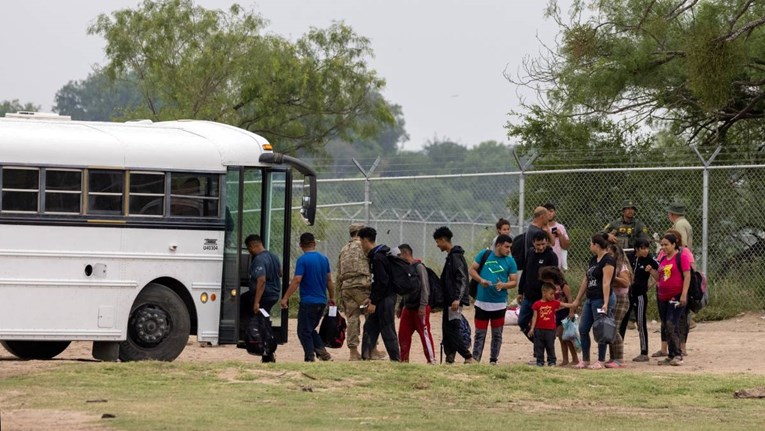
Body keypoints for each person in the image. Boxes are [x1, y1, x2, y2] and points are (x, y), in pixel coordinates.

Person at [280, 232, 334, 362]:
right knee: (310, 329)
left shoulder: (302, 260)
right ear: (314, 243)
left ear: (300, 245)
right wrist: (332, 297)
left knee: (303, 331)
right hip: (321, 301)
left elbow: (297, 280)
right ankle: (322, 352)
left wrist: (285, 297)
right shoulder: (324, 259)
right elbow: (329, 280)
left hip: (308, 301)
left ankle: (309, 357)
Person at [468, 234, 517, 364]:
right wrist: (481, 280)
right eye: (506, 247)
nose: (508, 250)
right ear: (498, 245)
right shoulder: (484, 254)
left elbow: (514, 282)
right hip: (481, 302)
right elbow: (472, 270)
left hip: (499, 304)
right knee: (480, 334)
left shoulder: (510, 261)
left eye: (510, 247)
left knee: (497, 334)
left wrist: (503, 285)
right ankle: (475, 359)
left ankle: (493, 360)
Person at [571, 233, 617, 370]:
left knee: (601, 328)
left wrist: (606, 302)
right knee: (583, 328)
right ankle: (585, 359)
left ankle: (600, 360)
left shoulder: (608, 260)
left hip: (601, 298)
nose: (590, 246)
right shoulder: (593, 260)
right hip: (590, 299)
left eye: (591, 244)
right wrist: (578, 299)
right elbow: (586, 279)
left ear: (596, 245)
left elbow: (606, 282)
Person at [358, 227, 401, 361]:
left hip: (386, 299)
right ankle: (365, 357)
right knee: (370, 327)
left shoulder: (378, 257)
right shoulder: (378, 255)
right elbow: (378, 282)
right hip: (380, 298)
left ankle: (395, 359)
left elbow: (383, 282)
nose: (360, 245)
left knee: (387, 329)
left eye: (360, 241)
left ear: (365, 240)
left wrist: (374, 302)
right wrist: (371, 299)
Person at [648, 233, 690, 366]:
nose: (664, 247)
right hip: (663, 297)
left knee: (672, 323)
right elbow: (659, 277)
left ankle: (677, 354)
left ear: (673, 244)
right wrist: (651, 271)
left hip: (676, 296)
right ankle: (671, 355)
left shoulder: (681, 257)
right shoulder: (663, 259)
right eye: (662, 245)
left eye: (666, 244)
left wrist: (684, 294)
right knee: (666, 325)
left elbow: (687, 276)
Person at [433, 226, 474, 364]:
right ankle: (450, 357)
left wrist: (457, 298)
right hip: (449, 301)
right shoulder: (451, 257)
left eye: (438, 241)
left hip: (454, 302)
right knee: (447, 330)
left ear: (444, 240)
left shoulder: (456, 257)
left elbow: (462, 279)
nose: (437, 245)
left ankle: (468, 357)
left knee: (453, 330)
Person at [240, 234, 282, 362]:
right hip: (274, 294)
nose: (249, 252)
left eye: (249, 248)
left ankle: (250, 336)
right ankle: (266, 351)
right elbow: (280, 273)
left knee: (240, 303)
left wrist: (256, 302)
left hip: (264, 295)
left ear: (253, 245)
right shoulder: (273, 257)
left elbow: (261, 280)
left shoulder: (259, 259)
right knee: (263, 320)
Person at [335, 223, 372, 361]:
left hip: (346, 288)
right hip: (362, 286)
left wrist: (338, 295)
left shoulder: (344, 249)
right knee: (370, 317)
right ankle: (371, 349)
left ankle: (353, 352)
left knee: (352, 318)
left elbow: (338, 273)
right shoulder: (364, 246)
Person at [396, 244, 436, 364]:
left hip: (420, 308)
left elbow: (425, 288)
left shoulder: (419, 267)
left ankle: (431, 360)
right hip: (408, 308)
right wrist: (400, 306)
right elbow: (407, 290)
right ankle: (404, 360)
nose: (398, 258)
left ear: (405, 254)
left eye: (399, 255)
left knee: (425, 335)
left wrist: (423, 306)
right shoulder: (406, 269)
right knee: (403, 334)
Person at [620, 238, 659, 362]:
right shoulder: (629, 257)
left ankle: (644, 351)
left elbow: (659, 276)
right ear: (637, 249)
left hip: (640, 295)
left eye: (647, 248)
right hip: (627, 294)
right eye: (643, 248)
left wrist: (651, 273)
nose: (646, 251)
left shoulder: (650, 260)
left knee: (640, 323)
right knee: (623, 322)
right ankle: (618, 350)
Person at [517, 230, 559, 342]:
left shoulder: (551, 256)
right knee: (522, 322)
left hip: (542, 298)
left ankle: (539, 351)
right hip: (529, 295)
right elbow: (525, 272)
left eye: (543, 244)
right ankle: (538, 343)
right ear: (533, 243)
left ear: (547, 242)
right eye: (538, 244)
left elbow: (554, 277)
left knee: (540, 326)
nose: (540, 247)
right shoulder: (530, 253)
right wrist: (520, 291)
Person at [539, 266, 578, 366]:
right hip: (557, 313)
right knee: (561, 337)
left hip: (564, 312)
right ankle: (565, 360)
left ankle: (575, 359)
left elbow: (569, 298)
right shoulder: (550, 287)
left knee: (567, 337)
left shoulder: (562, 285)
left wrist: (571, 311)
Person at [527, 283, 574, 366]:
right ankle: (540, 362)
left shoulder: (554, 303)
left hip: (550, 330)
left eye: (554, 294)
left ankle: (552, 361)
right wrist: (532, 328)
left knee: (550, 346)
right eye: (551, 294)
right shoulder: (537, 304)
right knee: (539, 347)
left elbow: (564, 304)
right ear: (544, 293)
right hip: (539, 330)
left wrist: (574, 304)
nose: (553, 296)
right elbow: (534, 317)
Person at [605, 243, 632, 368]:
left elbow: (626, 283)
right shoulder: (608, 265)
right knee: (609, 327)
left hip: (620, 299)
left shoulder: (622, 266)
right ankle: (612, 357)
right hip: (611, 298)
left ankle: (619, 358)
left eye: (610, 252)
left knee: (614, 328)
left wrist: (613, 278)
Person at [543, 203, 570, 270]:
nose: (549, 213)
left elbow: (566, 246)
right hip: (543, 260)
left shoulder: (560, 227)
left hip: (557, 262)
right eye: (546, 211)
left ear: (555, 213)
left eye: (551, 211)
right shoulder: (541, 227)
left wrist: (560, 235)